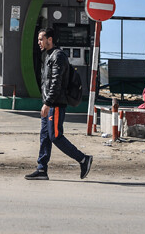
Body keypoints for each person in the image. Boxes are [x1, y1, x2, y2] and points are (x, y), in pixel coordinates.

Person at [25, 27, 93, 180]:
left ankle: (83, 159)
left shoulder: (58, 56)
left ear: (50, 39)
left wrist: (48, 102)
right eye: (38, 40)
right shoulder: (47, 56)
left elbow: (56, 82)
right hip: (49, 103)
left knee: (55, 136)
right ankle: (42, 169)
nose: (39, 43)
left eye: (41, 39)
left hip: (55, 104)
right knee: (45, 137)